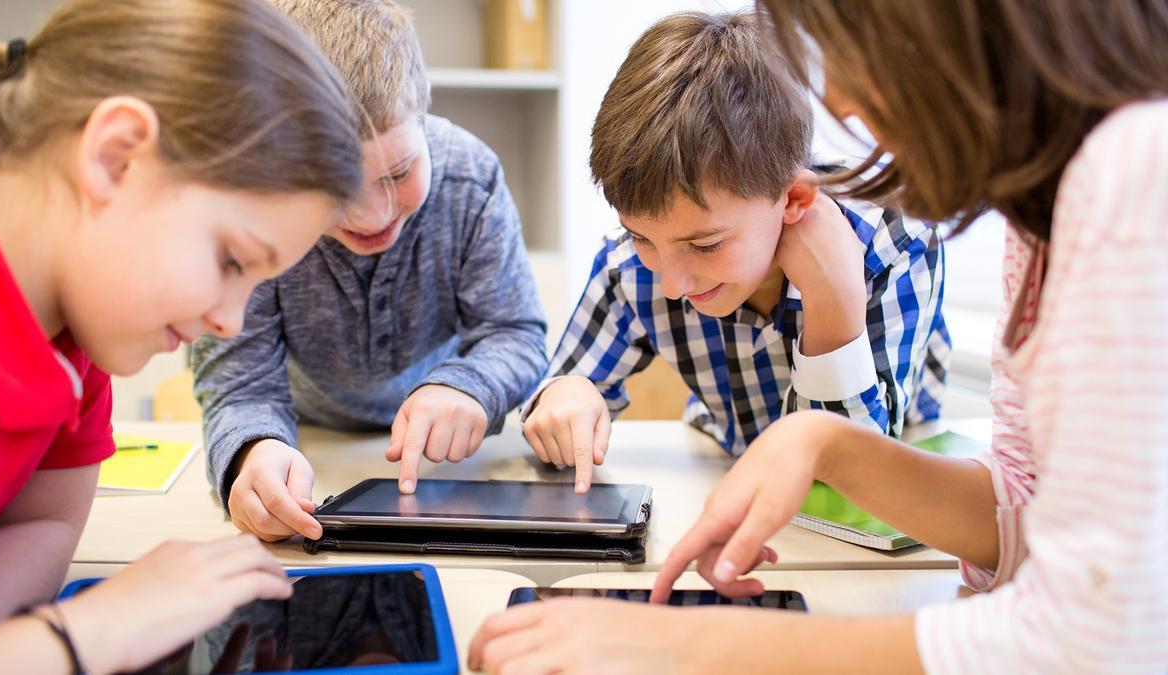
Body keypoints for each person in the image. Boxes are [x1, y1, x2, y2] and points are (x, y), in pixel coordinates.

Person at [468, 1, 1168, 672]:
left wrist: (684, 647)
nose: (837, 98)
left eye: (846, 47)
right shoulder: (1039, 222)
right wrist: (820, 442)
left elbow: (1099, 634)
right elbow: (1021, 515)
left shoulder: (1130, 173)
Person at [0, 0, 365, 671]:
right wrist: (85, 630)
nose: (230, 322)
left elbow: (45, 524)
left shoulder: (79, 324)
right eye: (231, 261)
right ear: (115, 156)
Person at [521, 10, 949, 493]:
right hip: (729, 465)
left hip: (894, 490)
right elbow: (554, 395)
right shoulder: (630, 268)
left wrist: (834, 298)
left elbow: (850, 472)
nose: (673, 284)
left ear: (793, 200)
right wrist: (566, 394)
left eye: (705, 245)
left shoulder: (894, 240)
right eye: (641, 236)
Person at [190, 0, 548, 542]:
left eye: (401, 171)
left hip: (447, 460)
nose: (374, 215)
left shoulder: (471, 178)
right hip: (303, 444)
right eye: (337, 189)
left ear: (423, 115)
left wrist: (469, 386)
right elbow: (240, 384)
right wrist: (252, 451)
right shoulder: (254, 204)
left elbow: (515, 333)